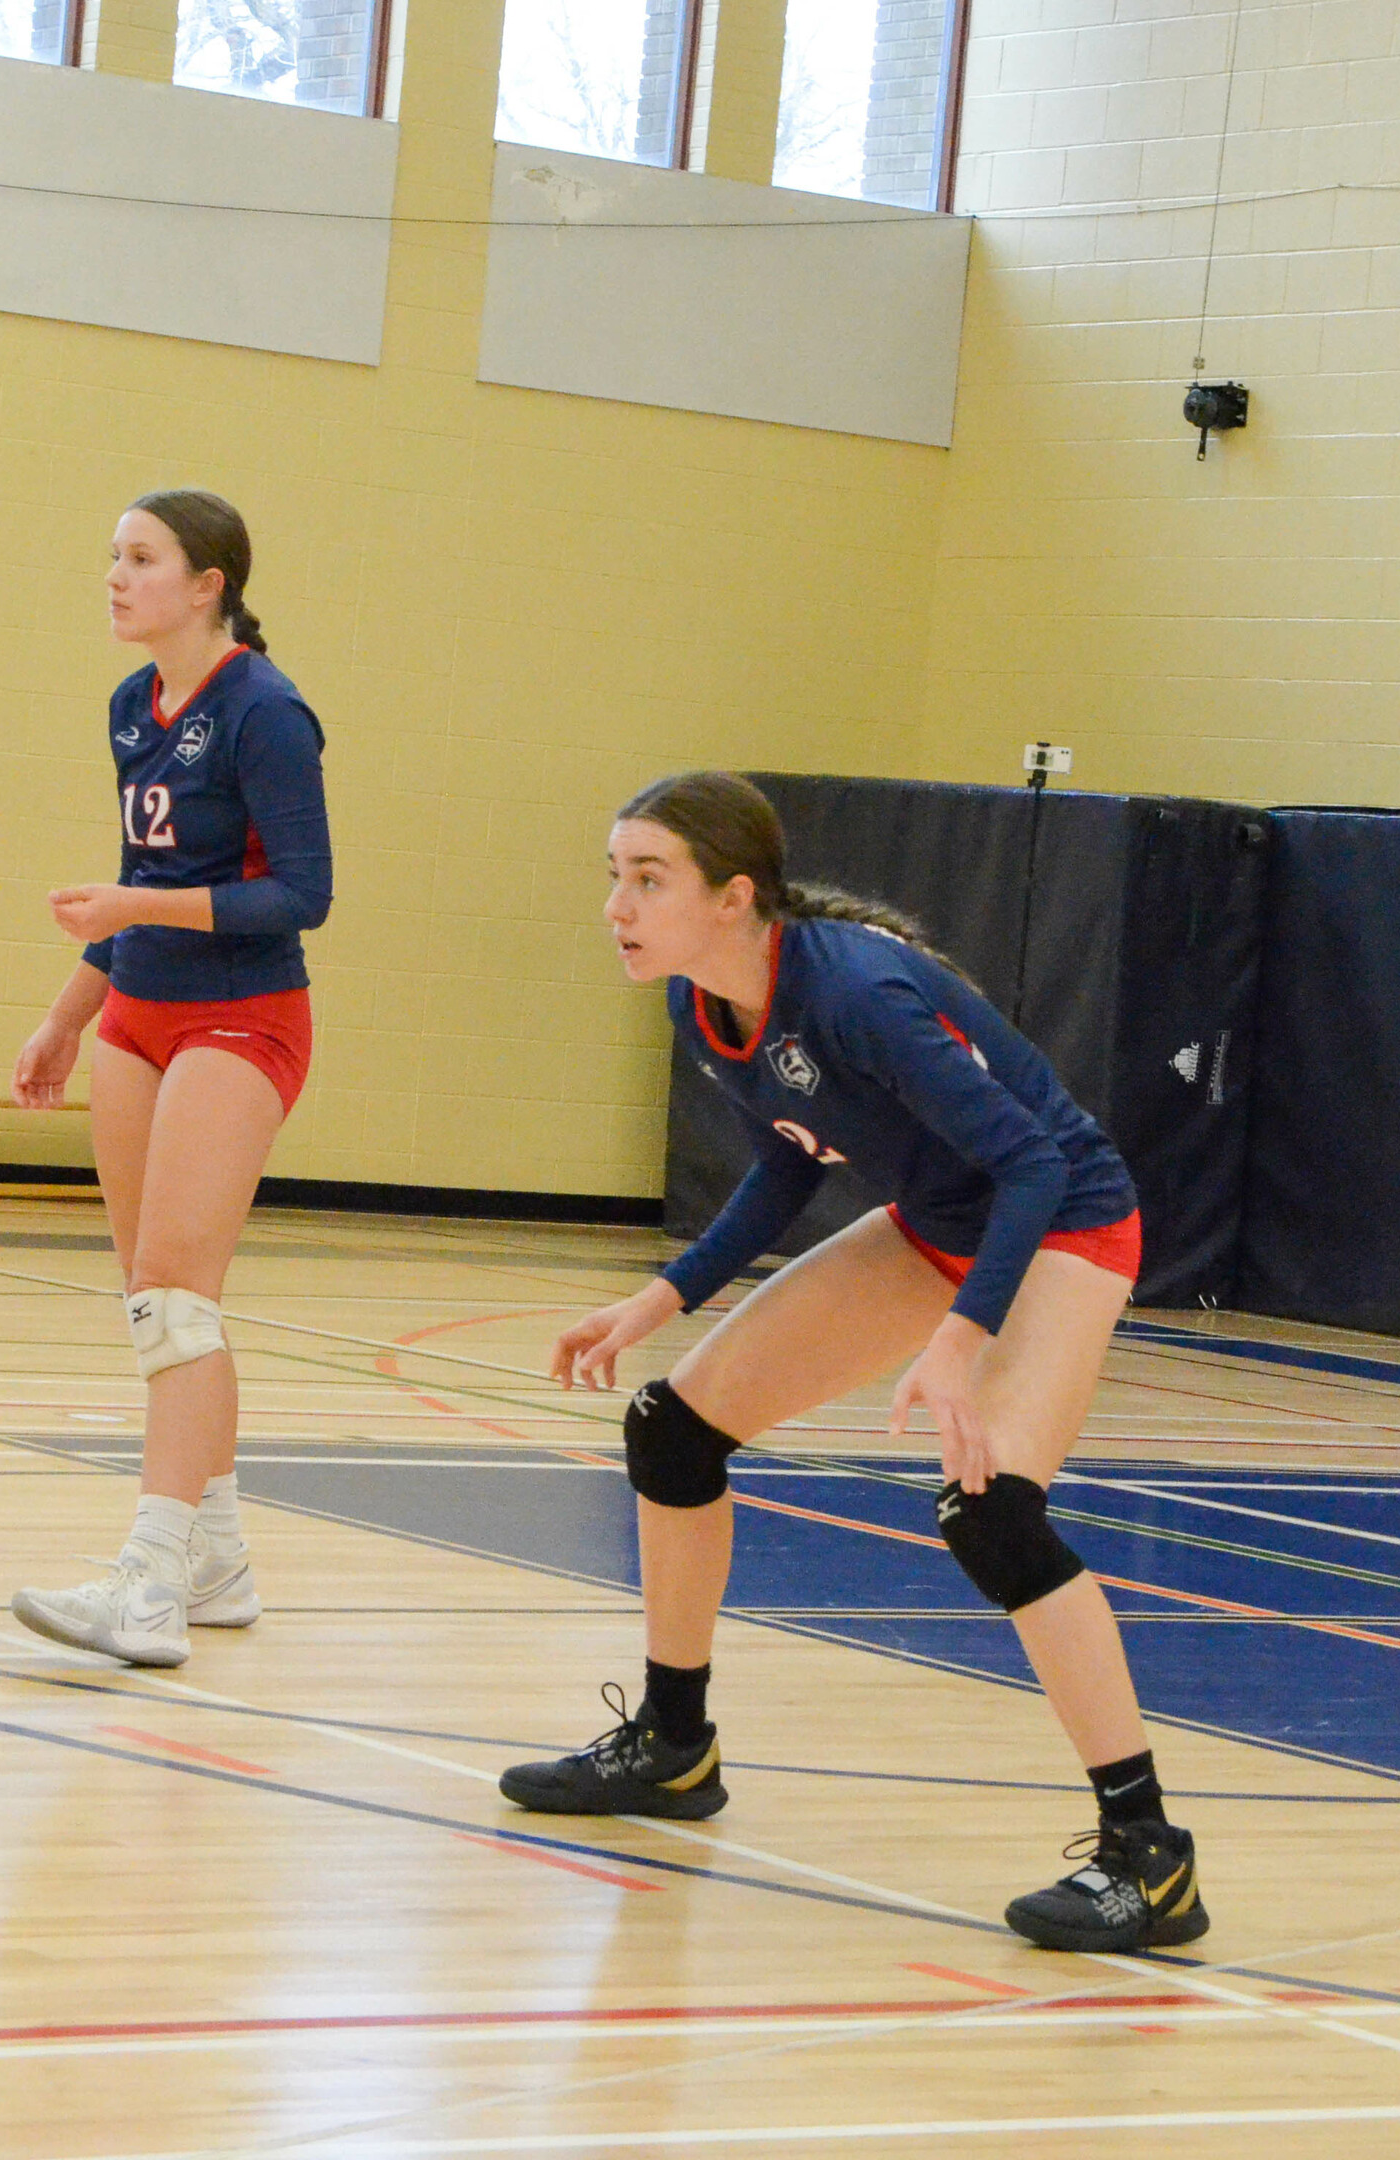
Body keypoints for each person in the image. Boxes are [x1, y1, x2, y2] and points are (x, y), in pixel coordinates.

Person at [502, 772, 1205, 1956]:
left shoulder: (859, 991)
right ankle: (676, 1745)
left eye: (647, 878)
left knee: (993, 1517)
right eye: (613, 875)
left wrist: (960, 1339)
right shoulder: (705, 999)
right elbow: (789, 1161)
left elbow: (1032, 1166)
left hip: (1064, 1224)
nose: (617, 902)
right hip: (943, 1223)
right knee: (673, 1428)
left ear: (734, 897)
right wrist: (661, 1295)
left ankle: (1151, 1855)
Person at [6, 490, 332, 1668]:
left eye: (140, 558)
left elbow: (303, 894)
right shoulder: (131, 704)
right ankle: (220, 1557)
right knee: (159, 1309)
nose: (114, 574)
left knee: (179, 1292)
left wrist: (136, 905)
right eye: (111, 555)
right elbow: (142, 873)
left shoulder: (267, 710)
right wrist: (64, 1015)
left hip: (241, 1018)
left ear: (209, 584)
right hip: (136, 1016)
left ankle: (147, 1578)